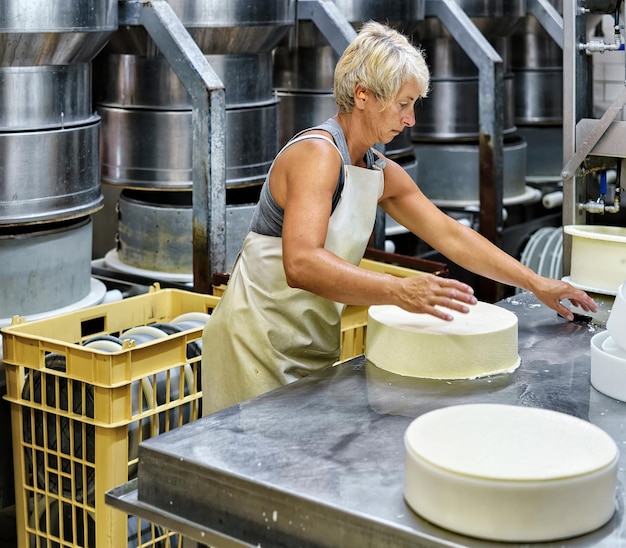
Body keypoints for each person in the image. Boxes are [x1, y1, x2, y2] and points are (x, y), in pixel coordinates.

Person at [201, 21, 597, 415]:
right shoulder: (318, 156)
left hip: (308, 344)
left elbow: (450, 234)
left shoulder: (377, 170)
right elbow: (301, 264)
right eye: (403, 104)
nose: (410, 120)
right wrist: (401, 291)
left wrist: (535, 283)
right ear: (363, 95)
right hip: (252, 345)